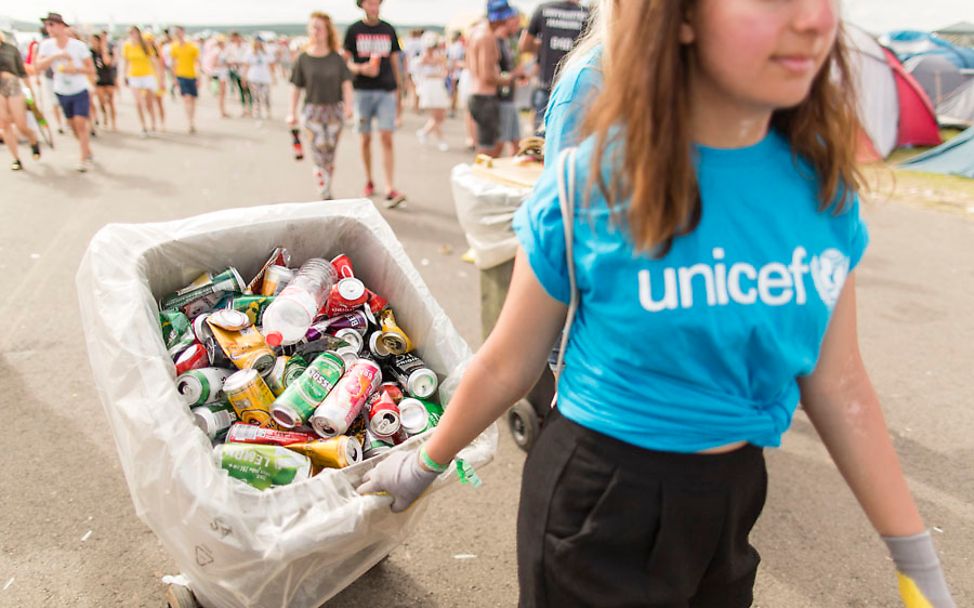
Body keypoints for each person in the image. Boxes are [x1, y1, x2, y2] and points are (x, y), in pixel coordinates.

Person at [358, 2, 957, 607]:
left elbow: (839, 381)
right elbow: (508, 364)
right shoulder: (589, 183)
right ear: (681, 17)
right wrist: (423, 464)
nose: (812, 20)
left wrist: (915, 557)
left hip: (732, 498)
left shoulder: (821, 188)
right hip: (597, 507)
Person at [343, 0, 407, 208]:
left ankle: (390, 186)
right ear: (362, 5)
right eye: (370, 3)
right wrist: (361, 69)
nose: (374, 6)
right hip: (362, 91)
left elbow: (396, 61)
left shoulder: (388, 29)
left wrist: (400, 92)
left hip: (386, 90)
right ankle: (369, 180)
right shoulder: (354, 30)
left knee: (387, 137)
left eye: (377, 3)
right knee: (365, 138)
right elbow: (345, 62)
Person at [287, 11, 354, 201]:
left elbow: (346, 84)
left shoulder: (337, 58)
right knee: (317, 153)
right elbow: (296, 87)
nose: (315, 31)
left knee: (330, 155)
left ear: (327, 31)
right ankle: (323, 189)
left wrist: (349, 107)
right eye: (313, 27)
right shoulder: (303, 59)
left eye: (319, 28)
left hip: (334, 111)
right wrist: (291, 112)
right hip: (312, 112)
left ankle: (326, 186)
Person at [35, 12, 95, 172]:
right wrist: (56, 56)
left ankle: (83, 158)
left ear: (62, 26)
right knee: (73, 125)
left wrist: (76, 69)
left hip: (79, 89)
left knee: (80, 123)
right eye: (47, 25)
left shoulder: (78, 45)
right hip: (61, 90)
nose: (49, 28)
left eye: (52, 24)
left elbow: (90, 68)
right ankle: (86, 148)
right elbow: (38, 66)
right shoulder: (46, 45)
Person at [519, 0, 590, 132]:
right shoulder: (587, 14)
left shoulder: (542, 10)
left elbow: (524, 46)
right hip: (575, 89)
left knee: (540, 144)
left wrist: (545, 46)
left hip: (547, 87)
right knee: (571, 140)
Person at [466, 0, 519, 157]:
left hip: (477, 95)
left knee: (486, 148)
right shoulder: (486, 36)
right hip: (485, 97)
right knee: (488, 152)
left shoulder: (476, 33)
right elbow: (487, 76)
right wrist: (508, 78)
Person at [0, 29, 42, 170]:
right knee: (4, 124)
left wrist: (31, 93)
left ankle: (32, 138)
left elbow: (22, 72)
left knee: (21, 125)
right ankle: (16, 159)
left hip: (13, 87)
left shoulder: (10, 49)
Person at [414, 32, 450, 151]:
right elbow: (418, 73)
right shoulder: (422, 59)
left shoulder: (439, 56)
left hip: (438, 85)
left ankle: (424, 132)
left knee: (440, 116)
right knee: (436, 116)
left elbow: (446, 69)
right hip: (429, 87)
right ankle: (440, 140)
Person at [119, 26, 159, 136]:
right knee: (138, 102)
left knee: (149, 103)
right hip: (134, 76)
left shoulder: (145, 44)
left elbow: (153, 60)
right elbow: (126, 62)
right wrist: (124, 76)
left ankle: (153, 125)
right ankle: (143, 126)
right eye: (130, 33)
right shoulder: (127, 46)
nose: (133, 35)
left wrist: (158, 76)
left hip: (147, 75)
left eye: (134, 33)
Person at [497, 12, 523, 156]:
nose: (517, 26)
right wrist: (514, 74)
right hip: (502, 98)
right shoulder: (496, 41)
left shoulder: (510, 41)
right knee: (499, 144)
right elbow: (493, 73)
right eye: (515, 23)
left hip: (511, 97)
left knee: (516, 142)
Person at [168, 26, 201, 133]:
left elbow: (197, 63)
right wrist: (174, 78)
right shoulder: (174, 47)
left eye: (179, 32)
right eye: (176, 32)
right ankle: (190, 122)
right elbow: (173, 63)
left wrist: (199, 77)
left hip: (192, 75)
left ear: (183, 32)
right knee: (186, 98)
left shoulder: (192, 46)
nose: (178, 34)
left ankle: (192, 120)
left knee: (193, 100)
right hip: (181, 76)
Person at [89, 34, 117, 131]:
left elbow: (107, 62)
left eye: (95, 40)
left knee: (111, 101)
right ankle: (105, 115)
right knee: (102, 102)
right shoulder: (90, 52)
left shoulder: (105, 51)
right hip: (98, 80)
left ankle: (113, 122)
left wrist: (104, 49)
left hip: (108, 78)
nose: (93, 43)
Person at [244, 37, 275, 120]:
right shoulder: (250, 53)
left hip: (265, 77)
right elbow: (246, 66)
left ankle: (268, 111)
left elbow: (272, 65)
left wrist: (273, 77)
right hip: (254, 77)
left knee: (266, 95)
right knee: (256, 96)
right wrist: (244, 77)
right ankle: (257, 112)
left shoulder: (267, 53)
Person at [225, 32, 252, 117]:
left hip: (246, 71)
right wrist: (232, 62)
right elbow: (228, 58)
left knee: (248, 91)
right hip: (237, 71)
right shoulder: (231, 47)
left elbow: (249, 59)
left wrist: (239, 62)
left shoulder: (246, 46)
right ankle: (244, 109)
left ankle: (250, 109)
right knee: (241, 90)